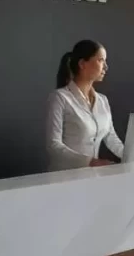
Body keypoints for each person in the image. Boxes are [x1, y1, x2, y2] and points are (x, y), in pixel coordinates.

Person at [46, 39, 124, 170]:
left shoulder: (102, 100)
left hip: (91, 177)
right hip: (64, 178)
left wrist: (133, 157)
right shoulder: (60, 98)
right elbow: (54, 145)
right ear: (82, 64)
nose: (106, 67)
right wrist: (90, 162)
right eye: (101, 60)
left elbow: (111, 139)